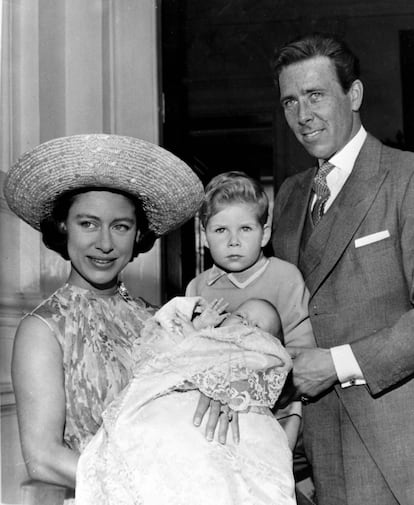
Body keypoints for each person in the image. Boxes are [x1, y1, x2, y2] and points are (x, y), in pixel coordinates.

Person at [3, 133, 204, 495]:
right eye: (88, 224)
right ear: (63, 227)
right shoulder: (44, 329)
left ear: (138, 233)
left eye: (121, 226)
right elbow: (42, 456)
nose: (106, 243)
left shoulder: (156, 318)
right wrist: (149, 487)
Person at [272, 32, 414, 505]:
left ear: (353, 95)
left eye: (315, 95)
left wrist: (335, 364)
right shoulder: (290, 196)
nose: (303, 116)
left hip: (397, 450)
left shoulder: (406, 177)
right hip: (317, 453)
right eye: (290, 101)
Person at [75, 296, 296, 504]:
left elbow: (251, 371)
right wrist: (198, 330)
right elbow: (167, 356)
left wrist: (199, 344)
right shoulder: (207, 333)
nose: (247, 326)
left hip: (234, 424)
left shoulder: (257, 353)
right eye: (241, 316)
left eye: (258, 328)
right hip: (176, 409)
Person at [186, 171, 316, 476]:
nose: (233, 241)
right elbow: (185, 354)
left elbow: (301, 350)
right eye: (220, 230)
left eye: (245, 228)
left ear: (265, 233)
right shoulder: (198, 288)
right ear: (204, 237)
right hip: (212, 414)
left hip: (277, 409)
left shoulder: (285, 277)